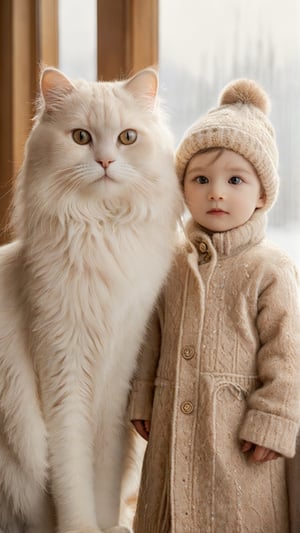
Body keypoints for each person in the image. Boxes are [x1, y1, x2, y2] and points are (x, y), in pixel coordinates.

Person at [129, 78, 300, 532]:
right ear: (182, 188)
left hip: (238, 436)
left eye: (235, 180)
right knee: (168, 507)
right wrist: (144, 392)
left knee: (235, 513)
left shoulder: (270, 268)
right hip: (173, 421)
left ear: (262, 194)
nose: (216, 192)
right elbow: (152, 334)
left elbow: (288, 354)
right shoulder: (171, 261)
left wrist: (274, 420)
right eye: (200, 179)